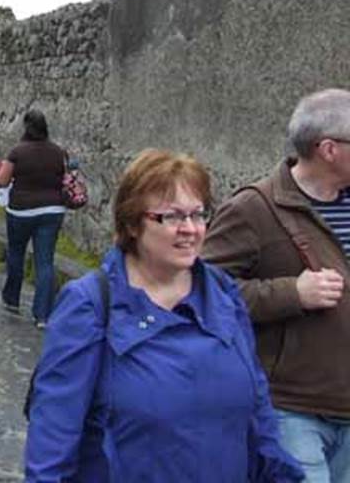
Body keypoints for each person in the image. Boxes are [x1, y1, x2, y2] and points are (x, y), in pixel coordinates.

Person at [25, 149, 304, 482]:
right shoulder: (90, 305)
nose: (190, 229)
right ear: (131, 224)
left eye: (198, 214)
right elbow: (54, 434)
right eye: (171, 217)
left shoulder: (223, 295)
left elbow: (259, 418)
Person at [202, 88, 350, 483]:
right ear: (329, 149)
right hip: (291, 408)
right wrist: (292, 293)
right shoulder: (253, 208)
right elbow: (202, 291)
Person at [0, 109, 68, 327]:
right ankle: (42, 314)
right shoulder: (58, 152)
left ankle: (12, 299)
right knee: (45, 261)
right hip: (52, 211)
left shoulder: (17, 151)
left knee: (16, 254)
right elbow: (66, 177)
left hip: (21, 211)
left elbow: (2, 181)